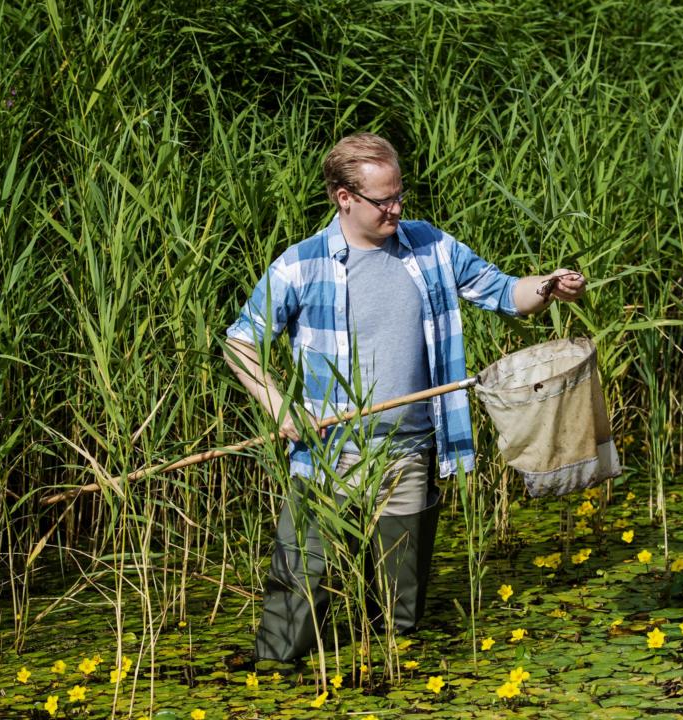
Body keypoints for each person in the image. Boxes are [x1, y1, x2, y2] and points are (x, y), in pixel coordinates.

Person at [224, 132, 586, 662]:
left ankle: (390, 688)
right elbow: (240, 343)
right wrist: (281, 405)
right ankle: (274, 681)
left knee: (398, 617)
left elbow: (506, 292)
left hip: (409, 456)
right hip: (329, 457)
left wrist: (549, 285)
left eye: (399, 195)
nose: (395, 208)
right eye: (382, 200)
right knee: (292, 616)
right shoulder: (300, 265)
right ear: (343, 197)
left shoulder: (431, 247)